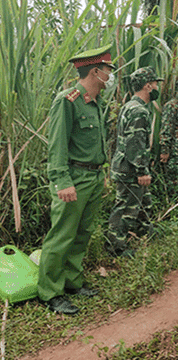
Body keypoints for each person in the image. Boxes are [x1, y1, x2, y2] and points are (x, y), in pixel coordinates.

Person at [38, 45, 116, 314]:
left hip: (93, 176)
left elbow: (97, 143)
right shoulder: (67, 100)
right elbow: (57, 145)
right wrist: (62, 181)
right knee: (62, 235)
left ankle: (72, 282)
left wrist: (101, 173)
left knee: (82, 233)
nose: (111, 75)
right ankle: (50, 292)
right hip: (74, 178)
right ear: (95, 71)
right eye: (108, 70)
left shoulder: (96, 103)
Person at [107, 67, 163, 257]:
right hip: (129, 168)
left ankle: (144, 231)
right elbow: (135, 143)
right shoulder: (139, 111)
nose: (157, 87)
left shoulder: (130, 105)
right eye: (155, 83)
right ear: (147, 86)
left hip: (126, 165)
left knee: (143, 201)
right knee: (125, 207)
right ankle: (116, 247)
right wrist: (142, 171)